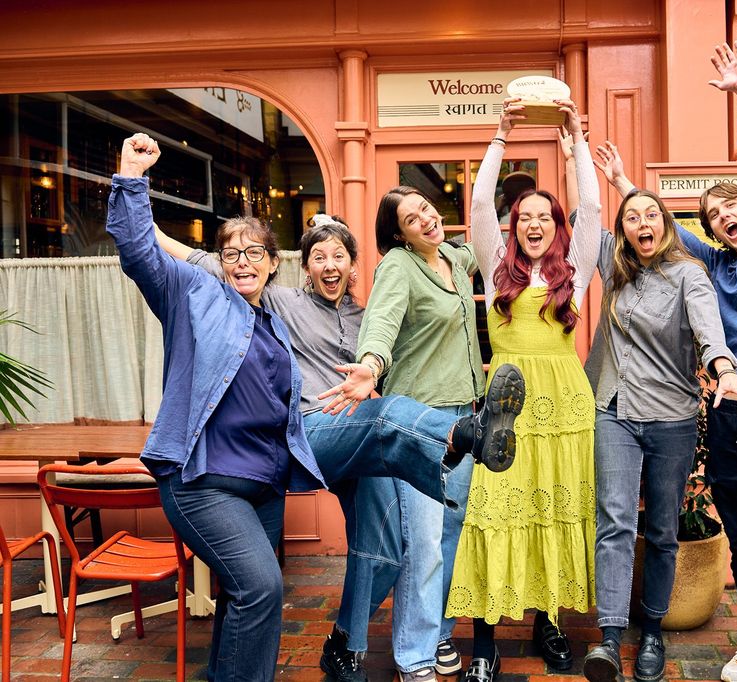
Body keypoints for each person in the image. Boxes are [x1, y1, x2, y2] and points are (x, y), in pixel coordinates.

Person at [127, 133, 523, 681]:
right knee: (383, 421)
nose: (329, 264)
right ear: (303, 267)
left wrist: (379, 368)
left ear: (354, 265)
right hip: (307, 432)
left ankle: (344, 641)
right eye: (318, 256)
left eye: (339, 255)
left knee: (384, 545)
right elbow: (202, 263)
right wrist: (139, 207)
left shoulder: (352, 313)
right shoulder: (279, 300)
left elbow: (391, 333)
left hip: (319, 450)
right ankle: (463, 435)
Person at [594, 42, 737, 682]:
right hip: (725, 422)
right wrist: (622, 185)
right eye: (714, 215)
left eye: (733, 208)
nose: (723, 219)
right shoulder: (711, 265)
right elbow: (661, 235)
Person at [581, 187, 737, 682]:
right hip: (613, 410)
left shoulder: (689, 275)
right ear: (623, 230)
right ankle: (610, 637)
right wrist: (576, 143)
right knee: (615, 523)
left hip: (671, 418)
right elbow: (586, 212)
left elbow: (709, 331)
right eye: (632, 217)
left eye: (651, 215)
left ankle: (654, 630)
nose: (643, 223)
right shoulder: (613, 267)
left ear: (665, 223)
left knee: (662, 530)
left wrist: (723, 369)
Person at [445, 97, 598, 682]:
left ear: (558, 229)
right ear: (513, 228)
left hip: (565, 408)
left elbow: (594, 209)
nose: (535, 225)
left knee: (553, 513)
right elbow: (480, 202)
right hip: (507, 408)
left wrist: (577, 140)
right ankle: (484, 639)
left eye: (545, 218)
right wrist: (499, 138)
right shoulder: (494, 267)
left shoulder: (575, 271)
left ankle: (550, 623)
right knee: (494, 512)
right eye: (525, 218)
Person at [330, 184, 489, 682]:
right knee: (422, 543)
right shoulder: (399, 266)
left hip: (464, 418)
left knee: (447, 536)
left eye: (425, 208)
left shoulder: (455, 258)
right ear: (397, 234)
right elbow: (380, 324)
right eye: (410, 218)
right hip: (419, 423)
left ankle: (435, 633)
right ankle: (413, 659)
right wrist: (371, 366)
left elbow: (483, 229)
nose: (424, 218)